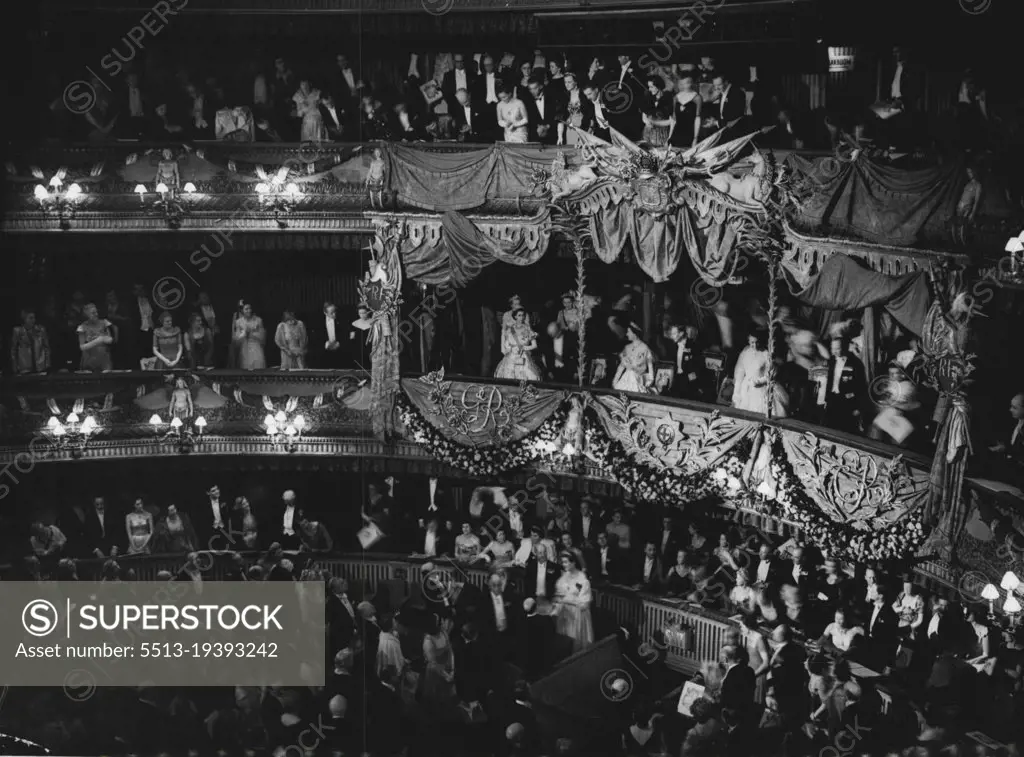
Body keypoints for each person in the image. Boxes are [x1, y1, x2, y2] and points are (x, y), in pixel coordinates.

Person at [554, 552, 594, 652]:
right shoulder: (563, 577)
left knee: (577, 645)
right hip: (565, 614)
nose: (563, 565)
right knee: (565, 644)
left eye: (566, 562)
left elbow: (584, 604)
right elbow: (558, 594)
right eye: (562, 562)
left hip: (578, 616)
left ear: (574, 563)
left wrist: (567, 600)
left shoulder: (582, 579)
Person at [494, 308, 542, 381]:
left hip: (523, 356)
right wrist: (511, 348)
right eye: (519, 315)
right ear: (515, 317)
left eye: (523, 315)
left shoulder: (528, 329)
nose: (522, 317)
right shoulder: (510, 329)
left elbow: (535, 345)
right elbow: (506, 344)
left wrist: (524, 348)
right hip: (511, 356)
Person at [733, 330, 771, 413]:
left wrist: (758, 382)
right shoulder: (745, 352)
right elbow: (740, 372)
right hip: (746, 387)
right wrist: (736, 391)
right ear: (749, 342)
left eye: (757, 342)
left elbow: (770, 375)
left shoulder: (766, 354)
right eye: (752, 342)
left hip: (760, 388)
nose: (755, 345)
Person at [613, 323, 654, 393]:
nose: (627, 334)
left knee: (632, 374)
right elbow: (621, 367)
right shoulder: (627, 347)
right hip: (625, 380)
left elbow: (650, 368)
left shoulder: (644, 348)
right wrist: (615, 382)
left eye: (629, 332)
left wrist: (649, 382)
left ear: (635, 333)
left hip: (638, 380)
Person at [77, 303, 116, 372]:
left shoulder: (105, 322)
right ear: (87, 315)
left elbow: (111, 339)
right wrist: (98, 340)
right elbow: (82, 347)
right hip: (89, 359)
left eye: (96, 312)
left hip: (104, 359)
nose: (96, 314)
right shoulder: (82, 327)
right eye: (93, 313)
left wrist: (105, 339)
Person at [11, 309, 51, 374]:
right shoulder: (17, 331)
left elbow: (47, 348)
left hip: (40, 366)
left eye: (34, 318)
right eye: (30, 318)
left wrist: (47, 364)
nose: (33, 320)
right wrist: (15, 367)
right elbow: (13, 350)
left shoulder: (41, 330)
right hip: (24, 367)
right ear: (24, 319)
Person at [669, 73, 702, 150]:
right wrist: (669, 137)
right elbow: (673, 119)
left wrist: (695, 138)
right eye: (682, 83)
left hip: (690, 135)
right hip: (676, 135)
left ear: (692, 83)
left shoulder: (697, 98)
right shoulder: (676, 97)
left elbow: (698, 119)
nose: (685, 86)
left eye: (688, 82)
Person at [233, 300, 266, 370]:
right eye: (246, 309)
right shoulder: (238, 322)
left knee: (258, 367)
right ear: (242, 310)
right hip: (244, 347)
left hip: (256, 346)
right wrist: (244, 334)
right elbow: (237, 338)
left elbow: (262, 336)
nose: (249, 311)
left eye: (250, 308)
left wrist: (252, 334)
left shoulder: (258, 320)